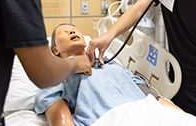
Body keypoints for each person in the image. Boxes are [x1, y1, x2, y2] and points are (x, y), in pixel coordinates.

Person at [35, 23, 182, 126]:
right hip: (111, 119)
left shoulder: (110, 63)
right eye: (64, 32)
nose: (72, 32)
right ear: (55, 51)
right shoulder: (54, 76)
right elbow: (62, 121)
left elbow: (152, 97)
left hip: (151, 114)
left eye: (74, 29)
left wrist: (184, 117)